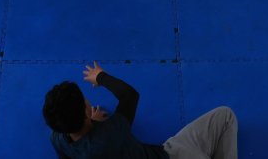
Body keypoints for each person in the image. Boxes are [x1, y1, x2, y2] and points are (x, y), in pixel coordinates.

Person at [43, 61, 238, 159]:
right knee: (225, 116)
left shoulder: (58, 140)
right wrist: (100, 76)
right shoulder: (111, 134)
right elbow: (130, 96)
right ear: (86, 112)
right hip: (169, 156)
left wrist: (92, 123)